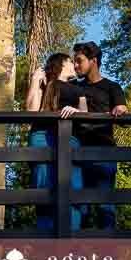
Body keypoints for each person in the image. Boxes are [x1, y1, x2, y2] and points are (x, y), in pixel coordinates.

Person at [25, 53, 84, 233]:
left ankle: (71, 239)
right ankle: (45, 239)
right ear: (61, 64)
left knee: (72, 184)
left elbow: (85, 111)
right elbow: (31, 110)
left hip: (70, 137)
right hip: (42, 135)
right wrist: (35, 81)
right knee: (43, 181)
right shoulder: (46, 84)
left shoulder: (77, 87)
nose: (74, 64)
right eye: (70, 61)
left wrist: (75, 110)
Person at [71, 41, 127, 231]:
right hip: (78, 154)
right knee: (80, 208)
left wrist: (121, 109)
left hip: (104, 153)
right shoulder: (74, 87)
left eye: (79, 61)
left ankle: (108, 254)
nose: (75, 65)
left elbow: (122, 109)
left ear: (93, 61)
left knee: (106, 206)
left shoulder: (112, 87)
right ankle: (78, 257)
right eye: (74, 62)